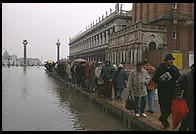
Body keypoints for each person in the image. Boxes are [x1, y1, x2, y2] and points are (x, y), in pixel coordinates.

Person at [152, 54, 180, 128]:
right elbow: (154, 78)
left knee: (173, 106)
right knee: (163, 107)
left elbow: (179, 77)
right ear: (166, 60)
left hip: (172, 91)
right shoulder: (160, 68)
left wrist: (172, 71)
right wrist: (162, 81)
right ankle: (164, 122)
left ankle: (163, 118)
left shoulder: (174, 68)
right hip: (163, 92)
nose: (171, 61)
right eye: (170, 60)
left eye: (172, 60)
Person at [175, 64, 194, 131]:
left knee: (189, 119)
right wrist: (178, 95)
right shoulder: (186, 75)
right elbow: (179, 85)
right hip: (187, 100)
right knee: (187, 117)